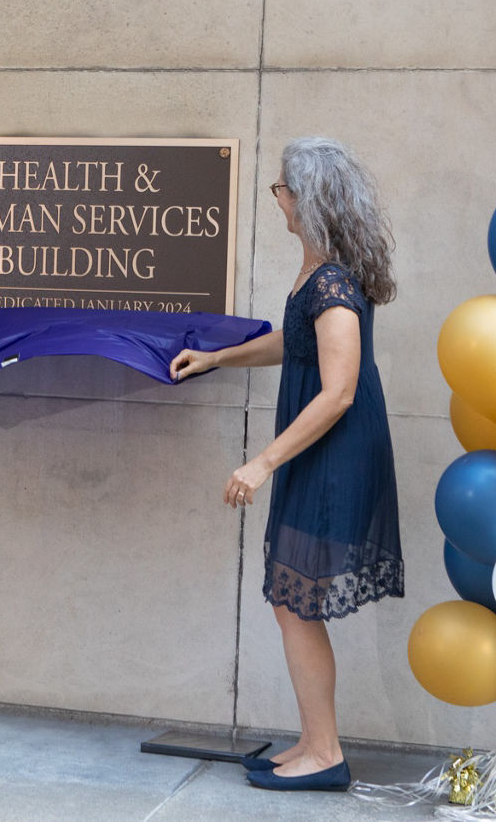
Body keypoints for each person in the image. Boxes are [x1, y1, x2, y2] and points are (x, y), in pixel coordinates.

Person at [170, 137, 402, 791]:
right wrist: (219, 358)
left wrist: (261, 463)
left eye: (282, 189)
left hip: (332, 454)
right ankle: (313, 741)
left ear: (307, 201)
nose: (278, 199)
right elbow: (294, 343)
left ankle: (325, 754)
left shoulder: (331, 282)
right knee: (293, 604)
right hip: (320, 449)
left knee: (297, 605)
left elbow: (338, 391)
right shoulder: (320, 270)